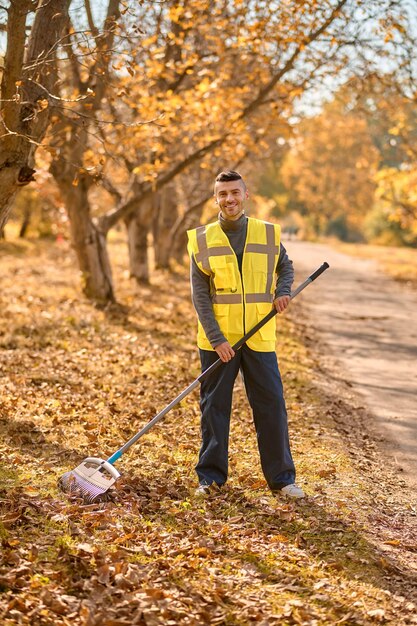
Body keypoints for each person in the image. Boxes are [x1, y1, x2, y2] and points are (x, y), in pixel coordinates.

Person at [187, 170, 304, 499]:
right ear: (216, 199)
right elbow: (200, 295)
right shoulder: (202, 239)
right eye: (223, 194)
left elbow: (286, 266)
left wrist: (283, 291)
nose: (229, 199)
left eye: (235, 192)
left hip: (259, 334)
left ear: (246, 194)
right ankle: (210, 478)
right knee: (214, 408)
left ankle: (282, 479)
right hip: (218, 341)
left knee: (271, 405)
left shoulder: (266, 234)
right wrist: (217, 339)